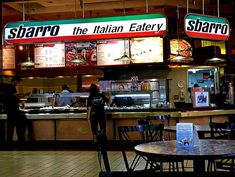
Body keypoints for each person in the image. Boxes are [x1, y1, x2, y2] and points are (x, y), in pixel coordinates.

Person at [2, 75, 26, 143]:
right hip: (13, 111)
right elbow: (15, 97)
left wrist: (19, 100)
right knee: (18, 126)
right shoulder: (11, 87)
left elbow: (11, 98)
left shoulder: (6, 87)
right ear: (15, 80)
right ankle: (20, 141)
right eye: (18, 82)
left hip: (9, 110)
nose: (17, 84)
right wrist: (23, 95)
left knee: (10, 128)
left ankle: (10, 142)